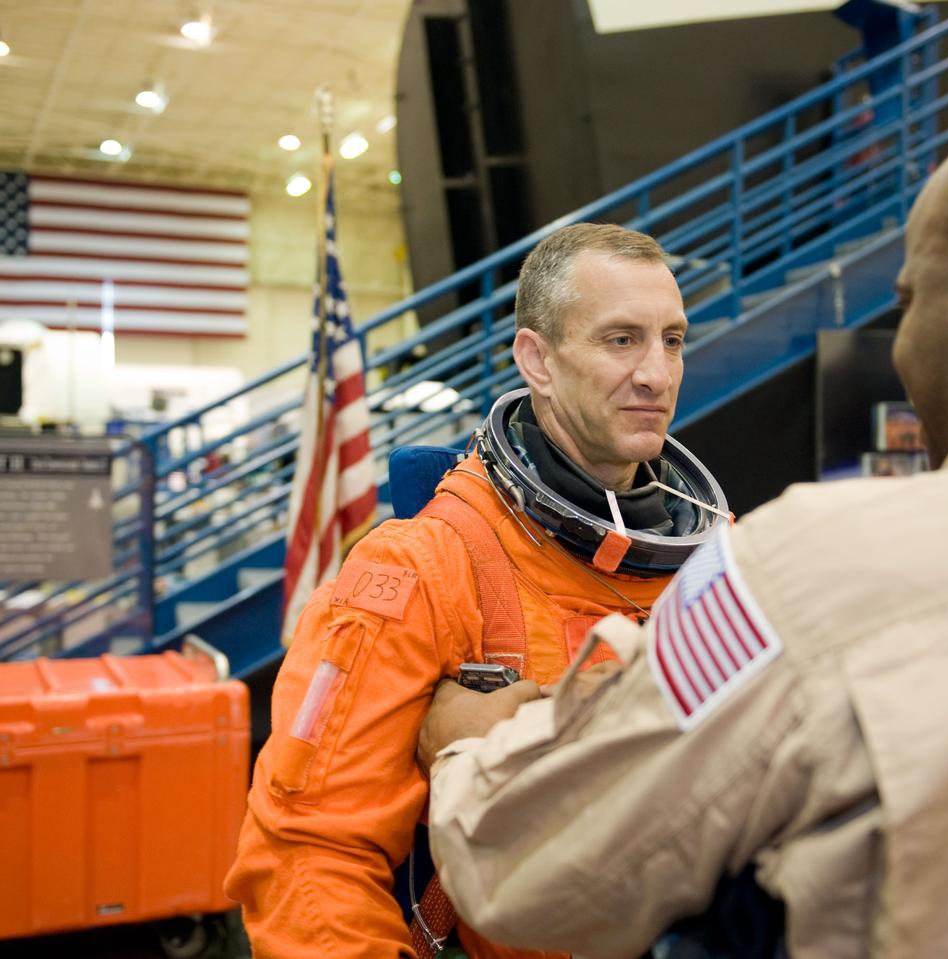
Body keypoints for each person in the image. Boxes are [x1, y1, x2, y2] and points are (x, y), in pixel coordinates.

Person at [421, 88, 948, 958]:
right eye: (621, 340)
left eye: (909, 302)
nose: (655, 371)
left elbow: (522, 856)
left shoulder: (821, 567)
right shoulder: (440, 553)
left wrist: (474, 745)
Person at [225, 223, 729, 959]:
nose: (657, 373)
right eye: (621, 340)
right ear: (538, 360)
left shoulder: (720, 557)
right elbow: (310, 856)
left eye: (673, 340)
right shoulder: (418, 572)